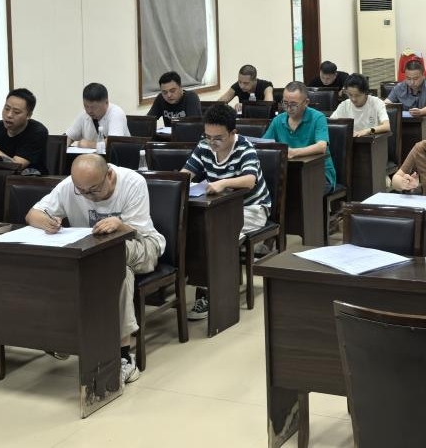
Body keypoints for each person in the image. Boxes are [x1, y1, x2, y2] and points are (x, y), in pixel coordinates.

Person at [26, 154, 164, 384]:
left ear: (109, 175)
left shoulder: (132, 182)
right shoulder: (71, 186)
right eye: (82, 191)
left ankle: (121, 354)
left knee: (111, 258)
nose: (87, 195)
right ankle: (71, 338)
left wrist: (120, 224)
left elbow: (137, 230)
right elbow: (32, 214)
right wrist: (47, 223)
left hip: (141, 244)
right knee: (115, 270)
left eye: (94, 190)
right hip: (92, 252)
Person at [180, 104, 271, 321]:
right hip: (219, 209)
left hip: (251, 208)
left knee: (217, 237)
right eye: (208, 136)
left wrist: (223, 183)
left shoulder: (245, 148)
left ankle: (215, 294)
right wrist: (179, 183)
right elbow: (186, 173)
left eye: (218, 138)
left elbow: (249, 180)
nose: (212, 142)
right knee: (195, 232)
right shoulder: (204, 145)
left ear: (232, 133)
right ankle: (206, 286)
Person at [263, 81, 336, 192]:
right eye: (285, 103)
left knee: (295, 190)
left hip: (319, 173)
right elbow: (263, 144)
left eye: (293, 104)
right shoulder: (278, 120)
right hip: (288, 172)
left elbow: (321, 146)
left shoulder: (318, 118)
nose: (288, 108)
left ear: (306, 102)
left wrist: (293, 153)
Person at [67, 83, 130, 148]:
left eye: (94, 107)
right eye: (86, 106)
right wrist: (64, 144)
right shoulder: (84, 114)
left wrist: (88, 144)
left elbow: (114, 142)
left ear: (106, 103)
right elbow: (69, 136)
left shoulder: (116, 113)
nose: (89, 111)